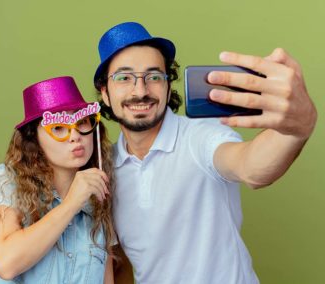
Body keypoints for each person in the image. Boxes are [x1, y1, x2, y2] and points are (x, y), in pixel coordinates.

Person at [93, 22, 317, 284]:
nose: (140, 91)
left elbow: (251, 167)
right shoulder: (105, 170)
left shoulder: (200, 137)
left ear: (168, 86)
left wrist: (297, 128)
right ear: (105, 93)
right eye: (124, 78)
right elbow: (120, 263)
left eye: (154, 76)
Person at [0, 76, 115, 283]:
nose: (75, 136)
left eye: (82, 122)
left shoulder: (98, 198)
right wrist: (72, 203)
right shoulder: (6, 180)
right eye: (58, 128)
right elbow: (6, 263)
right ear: (34, 140)